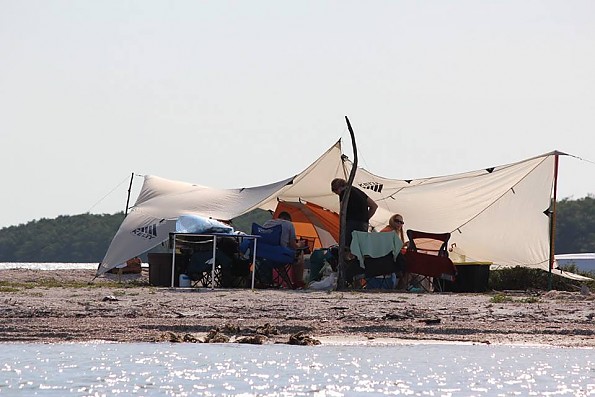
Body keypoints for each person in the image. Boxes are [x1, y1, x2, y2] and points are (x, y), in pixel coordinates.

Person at [263, 211, 306, 288]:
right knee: (300, 253)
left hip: (265, 255)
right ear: (288, 219)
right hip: (281, 255)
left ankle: (289, 284)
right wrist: (301, 244)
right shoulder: (289, 224)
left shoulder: (267, 223)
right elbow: (293, 246)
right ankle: (298, 282)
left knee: (279, 261)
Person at [330, 178, 378, 246]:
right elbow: (374, 206)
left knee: (348, 249)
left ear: (337, 188)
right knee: (360, 249)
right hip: (363, 225)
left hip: (351, 224)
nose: (337, 194)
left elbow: (342, 211)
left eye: (336, 193)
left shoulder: (344, 192)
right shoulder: (358, 191)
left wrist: (342, 224)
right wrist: (365, 219)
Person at [381, 213, 409, 289]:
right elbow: (390, 248)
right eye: (397, 221)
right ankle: (402, 285)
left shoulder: (391, 231)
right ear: (392, 220)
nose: (399, 223)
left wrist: (403, 245)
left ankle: (402, 284)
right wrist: (403, 246)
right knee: (407, 263)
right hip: (386, 258)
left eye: (401, 222)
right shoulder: (388, 231)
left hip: (387, 257)